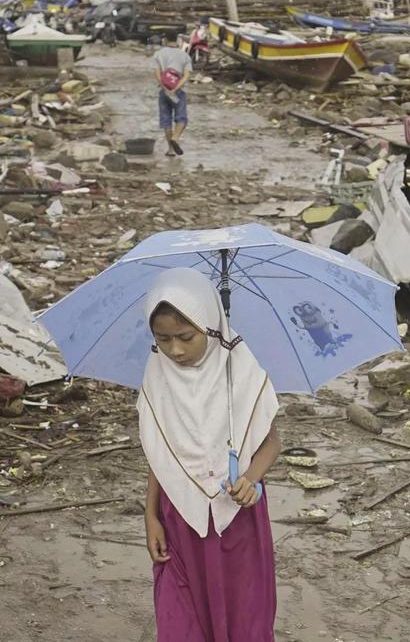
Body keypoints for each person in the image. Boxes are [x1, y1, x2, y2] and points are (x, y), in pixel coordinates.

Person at [138, 268, 281, 641]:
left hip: (238, 516)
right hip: (179, 517)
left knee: (243, 615)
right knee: (180, 618)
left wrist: (250, 478)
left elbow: (271, 443)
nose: (176, 350)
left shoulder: (242, 370)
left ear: (211, 326)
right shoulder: (156, 378)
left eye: (186, 337)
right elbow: (159, 453)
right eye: (163, 339)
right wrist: (150, 515)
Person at [154, 35, 192, 156]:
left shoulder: (158, 54)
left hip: (164, 91)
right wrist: (175, 88)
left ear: (165, 40)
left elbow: (157, 74)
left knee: (166, 120)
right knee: (182, 118)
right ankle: (175, 138)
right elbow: (186, 76)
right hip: (179, 91)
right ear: (177, 41)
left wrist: (165, 88)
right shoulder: (185, 55)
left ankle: (170, 150)